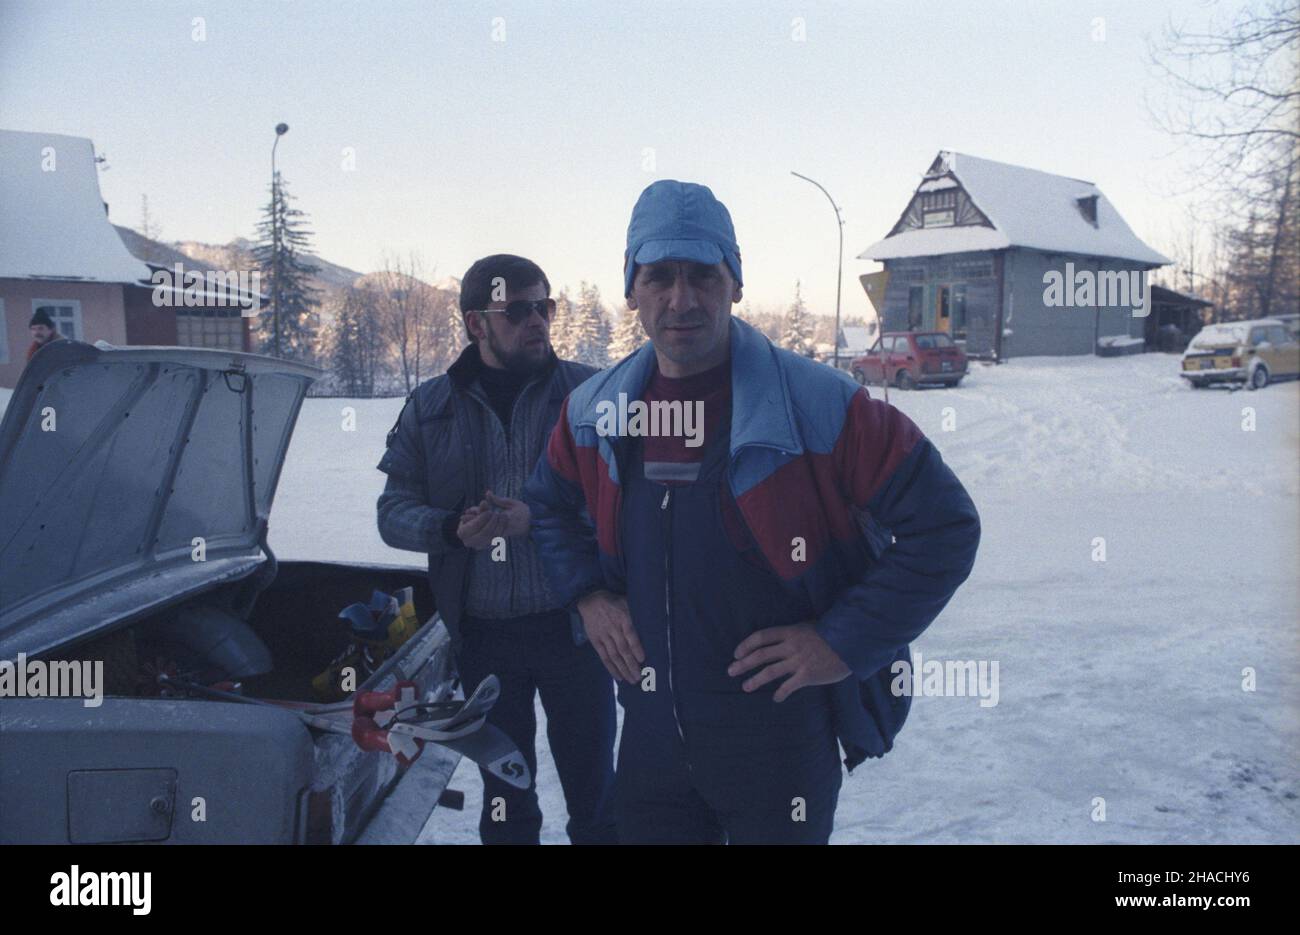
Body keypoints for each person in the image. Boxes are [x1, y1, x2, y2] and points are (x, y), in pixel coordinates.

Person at [524, 181, 981, 844]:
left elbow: (945, 527)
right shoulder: (596, 413)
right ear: (633, 289)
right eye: (660, 276)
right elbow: (547, 506)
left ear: (734, 283)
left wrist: (839, 640)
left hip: (779, 746)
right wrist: (588, 595)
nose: (681, 299)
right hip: (650, 745)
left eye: (703, 275)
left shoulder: (821, 406)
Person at [376, 254, 616, 845]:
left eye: (545, 307)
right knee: (508, 800)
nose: (537, 321)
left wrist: (544, 518)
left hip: (577, 629)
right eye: (518, 310)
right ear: (475, 323)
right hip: (485, 640)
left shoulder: (589, 395)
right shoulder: (430, 406)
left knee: (598, 796)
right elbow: (391, 513)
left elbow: (628, 502)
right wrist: (450, 528)